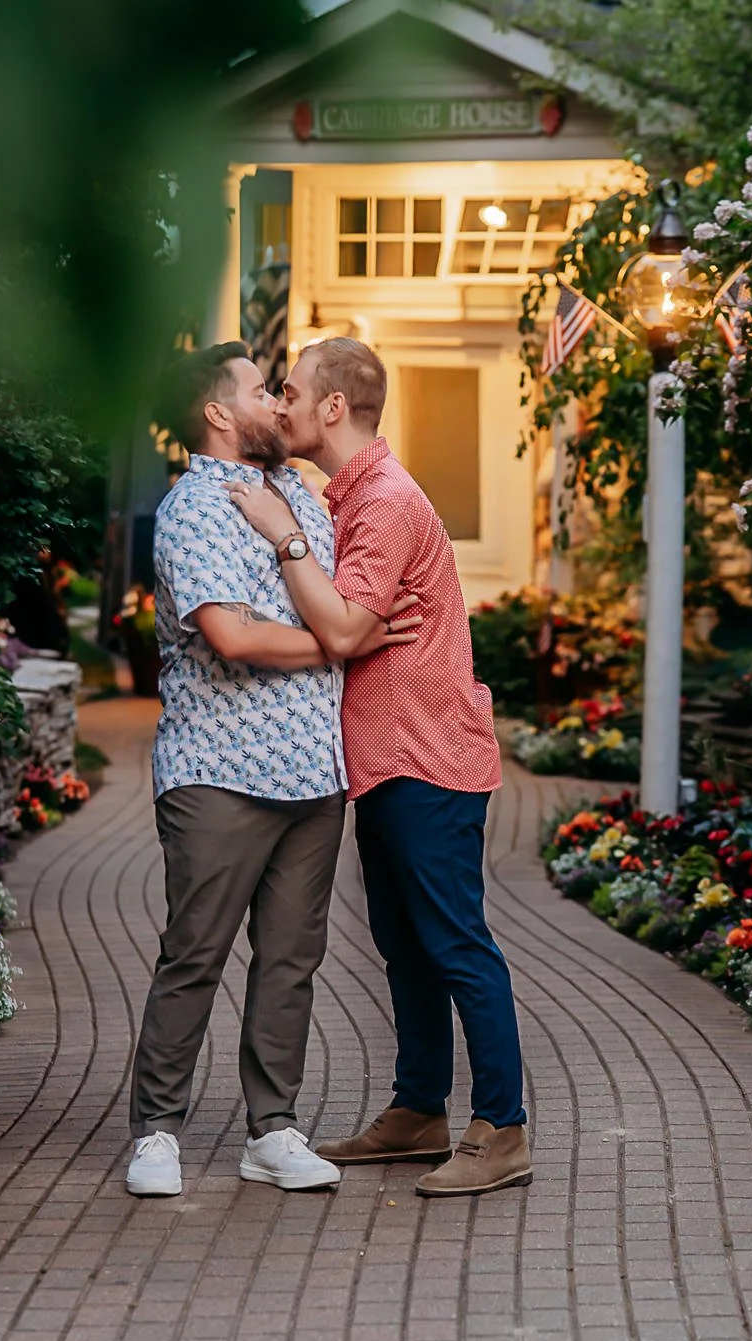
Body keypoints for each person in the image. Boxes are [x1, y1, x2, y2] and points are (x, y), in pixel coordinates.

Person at [229, 338, 530, 1198]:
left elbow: (349, 631)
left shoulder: (387, 502)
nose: (279, 406)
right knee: (406, 948)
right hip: (393, 762)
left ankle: (502, 1128)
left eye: (290, 391)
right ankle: (419, 1112)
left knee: (456, 945)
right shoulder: (354, 497)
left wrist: (285, 538)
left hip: (427, 759)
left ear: (334, 408)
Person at [126, 342, 419, 1199]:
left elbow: (348, 608)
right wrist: (333, 641)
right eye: (264, 391)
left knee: (291, 959)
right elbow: (234, 635)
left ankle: (273, 1130)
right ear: (221, 413)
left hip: (312, 775)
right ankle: (156, 1132)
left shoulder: (301, 497)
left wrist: (332, 618)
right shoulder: (192, 510)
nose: (280, 405)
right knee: (195, 955)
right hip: (217, 773)